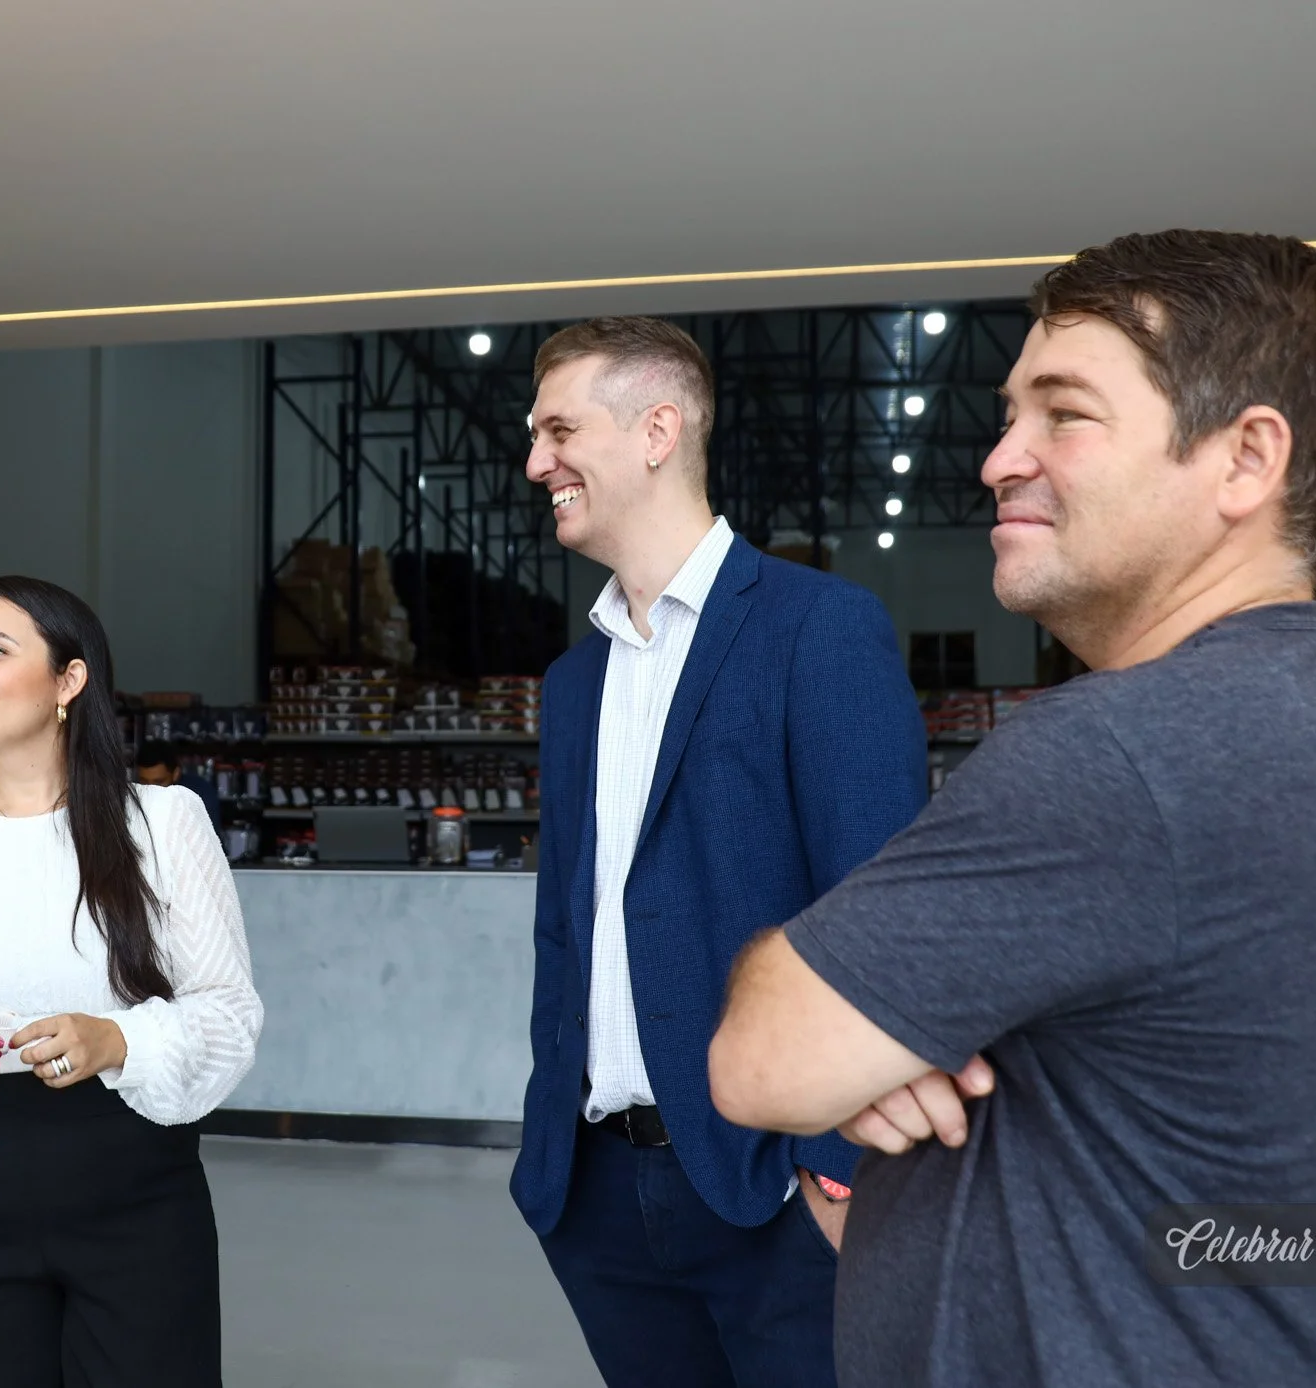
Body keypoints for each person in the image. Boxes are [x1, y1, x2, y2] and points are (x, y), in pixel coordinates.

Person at [710, 231, 1316, 1387]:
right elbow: (1304, 1210)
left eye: (1063, 414)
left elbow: (761, 1060)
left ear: (1244, 458)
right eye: (1008, 416)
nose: (998, 458)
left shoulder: (1125, 749)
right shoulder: (1303, 704)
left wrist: (858, 1023)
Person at [511, 317, 926, 1386]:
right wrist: (549, 1153)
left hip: (774, 1194)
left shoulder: (816, 628)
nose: (536, 463)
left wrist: (837, 1169)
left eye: (559, 430)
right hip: (598, 1197)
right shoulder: (573, 682)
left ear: (656, 431)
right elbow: (565, 926)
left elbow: (881, 917)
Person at [0, 575, 262, 1385]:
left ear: (69, 680)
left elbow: (228, 1016)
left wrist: (116, 1038)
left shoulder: (163, 823)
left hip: (132, 1187)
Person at [134, 740, 222, 834]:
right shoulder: (133, 796)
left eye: (159, 782)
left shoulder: (199, 795)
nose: (151, 789)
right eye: (144, 782)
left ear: (176, 774)